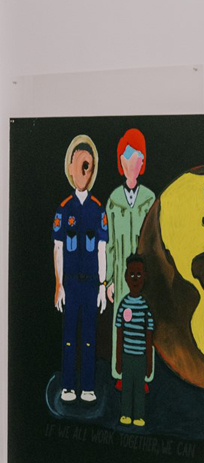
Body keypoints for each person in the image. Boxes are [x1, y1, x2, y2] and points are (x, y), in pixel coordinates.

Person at [53, 134, 109, 403]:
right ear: (70, 168)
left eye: (88, 165)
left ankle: (87, 387)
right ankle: (67, 386)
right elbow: (58, 248)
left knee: (89, 336)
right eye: (79, 165)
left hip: (90, 284)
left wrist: (102, 285)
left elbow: (102, 249)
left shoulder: (98, 210)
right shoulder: (64, 209)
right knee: (68, 336)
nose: (83, 171)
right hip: (71, 283)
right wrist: (58, 285)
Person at [106, 128, 156, 384]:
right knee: (121, 322)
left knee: (144, 322)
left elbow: (155, 242)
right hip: (121, 271)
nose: (131, 161)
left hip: (143, 274)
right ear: (120, 162)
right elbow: (110, 244)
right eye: (126, 156)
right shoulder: (113, 200)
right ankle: (121, 374)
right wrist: (108, 280)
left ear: (142, 161)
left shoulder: (150, 199)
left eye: (136, 155)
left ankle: (145, 375)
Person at [114, 254, 154, 427]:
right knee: (127, 388)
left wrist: (149, 362)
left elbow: (149, 336)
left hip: (140, 357)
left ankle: (139, 416)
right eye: (132, 275)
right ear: (125, 277)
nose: (135, 279)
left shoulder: (145, 307)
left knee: (139, 389)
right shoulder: (123, 305)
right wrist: (118, 359)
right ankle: (125, 414)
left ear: (144, 276)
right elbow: (119, 333)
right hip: (127, 356)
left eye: (138, 275)